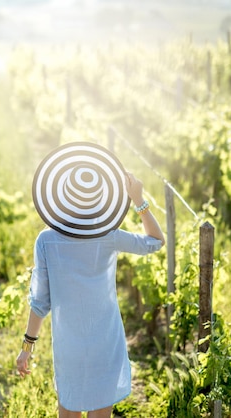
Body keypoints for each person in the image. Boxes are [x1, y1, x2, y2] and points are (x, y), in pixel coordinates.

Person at [17, 142, 165, 418]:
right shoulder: (110, 236)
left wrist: (27, 348)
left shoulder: (47, 240)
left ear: (59, 195)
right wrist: (138, 200)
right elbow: (156, 242)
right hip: (105, 340)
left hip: (69, 344)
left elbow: (40, 302)